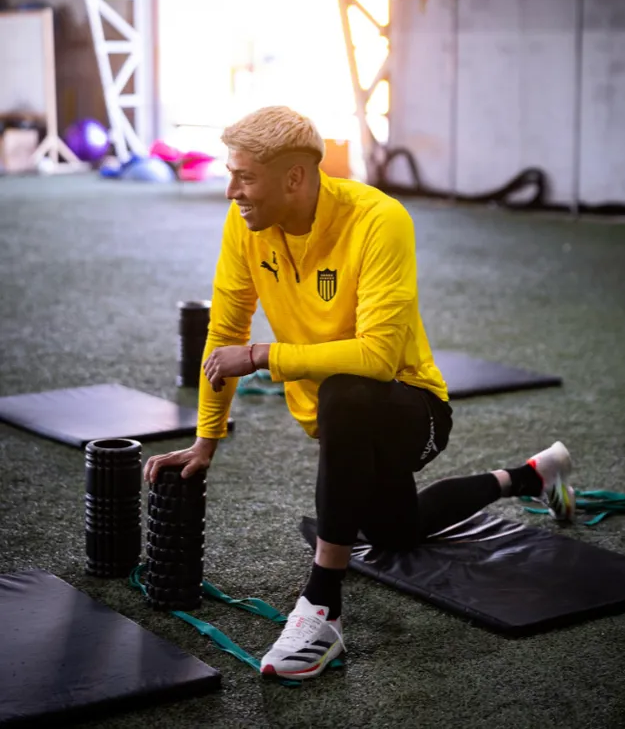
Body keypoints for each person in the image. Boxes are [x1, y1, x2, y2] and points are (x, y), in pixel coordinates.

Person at [144, 105, 575, 681]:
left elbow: (375, 357)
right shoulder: (248, 227)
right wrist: (205, 441)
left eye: (244, 176)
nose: (231, 191)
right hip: (337, 423)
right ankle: (534, 475)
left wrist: (263, 356)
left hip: (411, 409)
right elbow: (224, 334)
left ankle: (322, 608)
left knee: (345, 391)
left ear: (295, 177)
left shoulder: (378, 219)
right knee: (393, 532)